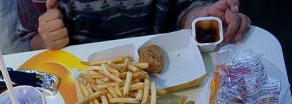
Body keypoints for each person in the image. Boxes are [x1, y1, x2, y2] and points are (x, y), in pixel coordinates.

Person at [18, 0, 251, 51]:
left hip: (161, 75)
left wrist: (206, 18)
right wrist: (47, 38)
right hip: (80, 79)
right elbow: (30, 39)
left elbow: (185, 10)